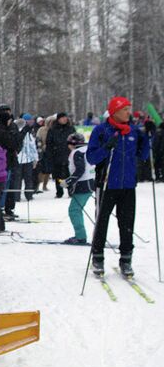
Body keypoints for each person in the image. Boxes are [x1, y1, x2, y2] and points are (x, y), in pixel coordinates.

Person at [86, 96, 150, 277]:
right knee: (101, 222)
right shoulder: (101, 130)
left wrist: (146, 137)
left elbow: (144, 155)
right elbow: (91, 158)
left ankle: (126, 260)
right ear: (114, 111)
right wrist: (106, 147)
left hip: (128, 185)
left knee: (127, 223)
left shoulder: (134, 131)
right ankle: (97, 258)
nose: (128, 113)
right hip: (106, 185)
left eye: (129, 109)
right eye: (125, 109)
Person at [63, 133, 94, 245]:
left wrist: (68, 181)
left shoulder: (77, 152)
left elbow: (80, 170)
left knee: (74, 210)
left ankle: (80, 237)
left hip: (83, 184)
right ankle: (80, 235)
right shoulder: (87, 149)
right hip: (90, 182)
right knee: (76, 210)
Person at [46, 112, 73, 198]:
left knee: (70, 174)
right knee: (58, 175)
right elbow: (49, 144)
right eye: (62, 118)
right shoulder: (53, 130)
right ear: (58, 119)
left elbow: (76, 141)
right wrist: (50, 155)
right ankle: (59, 191)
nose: (65, 119)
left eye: (66, 117)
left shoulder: (70, 129)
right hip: (57, 155)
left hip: (69, 155)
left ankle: (71, 191)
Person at [15, 113, 38, 201]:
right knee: (17, 179)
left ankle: (29, 195)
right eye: (29, 120)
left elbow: (32, 146)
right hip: (18, 160)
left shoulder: (30, 132)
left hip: (28, 160)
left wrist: (35, 158)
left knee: (28, 178)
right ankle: (16, 196)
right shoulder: (18, 130)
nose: (31, 122)